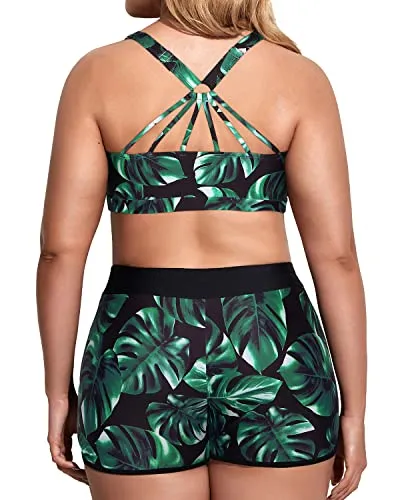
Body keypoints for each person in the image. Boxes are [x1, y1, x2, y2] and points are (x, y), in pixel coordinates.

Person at [36, 1, 367, 499]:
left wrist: (58, 392)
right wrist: (355, 412)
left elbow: (60, 253)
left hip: (140, 340)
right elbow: (337, 258)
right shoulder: (299, 77)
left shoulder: (96, 74)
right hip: (273, 348)